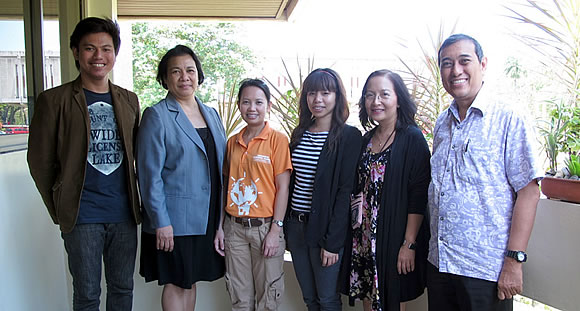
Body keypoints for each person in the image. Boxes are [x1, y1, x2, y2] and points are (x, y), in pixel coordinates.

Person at [27, 17, 141, 310]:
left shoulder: (129, 101)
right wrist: (60, 206)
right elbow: (40, 162)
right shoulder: (54, 100)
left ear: (115, 53)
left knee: (122, 289)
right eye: (89, 48)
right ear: (76, 52)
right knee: (88, 294)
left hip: (124, 214)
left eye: (106, 48)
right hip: (82, 215)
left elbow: (138, 154)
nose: (98, 56)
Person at [427, 34, 544, 311]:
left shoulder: (508, 118)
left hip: (485, 271)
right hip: (440, 264)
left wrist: (514, 261)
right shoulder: (442, 122)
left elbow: (529, 192)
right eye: (446, 63)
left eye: (464, 61)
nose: (455, 70)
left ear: (482, 64)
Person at [137, 45, 226, 311]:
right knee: (176, 283)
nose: (184, 77)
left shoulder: (211, 113)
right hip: (174, 220)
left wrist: (221, 221)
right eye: (175, 71)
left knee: (190, 280)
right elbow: (149, 175)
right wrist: (160, 222)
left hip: (206, 216)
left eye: (190, 70)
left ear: (198, 75)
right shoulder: (157, 115)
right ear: (165, 78)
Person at [344, 70, 430, 311]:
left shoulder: (412, 138)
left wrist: (409, 244)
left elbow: (418, 195)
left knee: (392, 297)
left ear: (399, 99)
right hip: (363, 235)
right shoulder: (366, 139)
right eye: (370, 95)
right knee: (368, 297)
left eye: (384, 94)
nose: (376, 101)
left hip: (394, 236)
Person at [285, 68, 362, 310]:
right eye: (311, 93)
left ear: (337, 96)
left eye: (325, 93)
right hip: (296, 226)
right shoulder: (299, 134)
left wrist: (332, 243)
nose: (317, 99)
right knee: (310, 298)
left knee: (327, 299)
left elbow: (345, 191)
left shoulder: (349, 136)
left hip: (325, 230)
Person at [214, 78, 292, 310]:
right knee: (239, 297)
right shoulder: (232, 143)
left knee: (268, 298)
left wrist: (275, 230)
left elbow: (283, 188)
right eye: (246, 102)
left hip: (265, 228)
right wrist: (220, 227)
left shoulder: (277, 140)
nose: (252, 108)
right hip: (234, 229)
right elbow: (225, 185)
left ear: (268, 106)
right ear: (239, 105)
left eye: (259, 102)